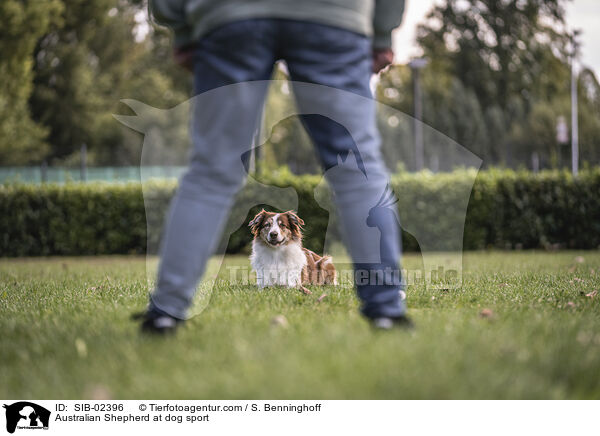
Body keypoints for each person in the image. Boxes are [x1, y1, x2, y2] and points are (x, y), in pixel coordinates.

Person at [136, 0, 412, 333]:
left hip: (229, 16)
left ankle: (166, 311)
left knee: (211, 170)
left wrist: (181, 27)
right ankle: (386, 307)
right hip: (334, 16)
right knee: (357, 168)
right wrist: (382, 31)